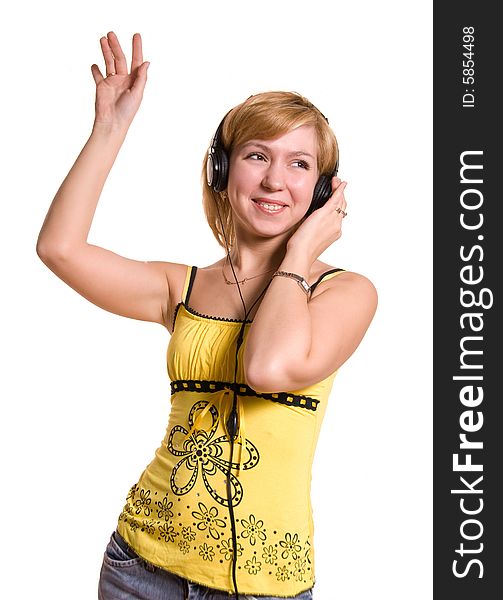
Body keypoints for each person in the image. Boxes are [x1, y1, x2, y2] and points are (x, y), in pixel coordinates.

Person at [36, 31, 377, 600]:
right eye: (256, 156)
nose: (274, 180)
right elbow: (59, 249)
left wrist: (296, 255)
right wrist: (108, 131)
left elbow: (268, 368)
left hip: (266, 588)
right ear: (223, 170)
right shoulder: (182, 286)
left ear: (322, 191)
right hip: (139, 567)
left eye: (299, 164)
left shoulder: (346, 293)